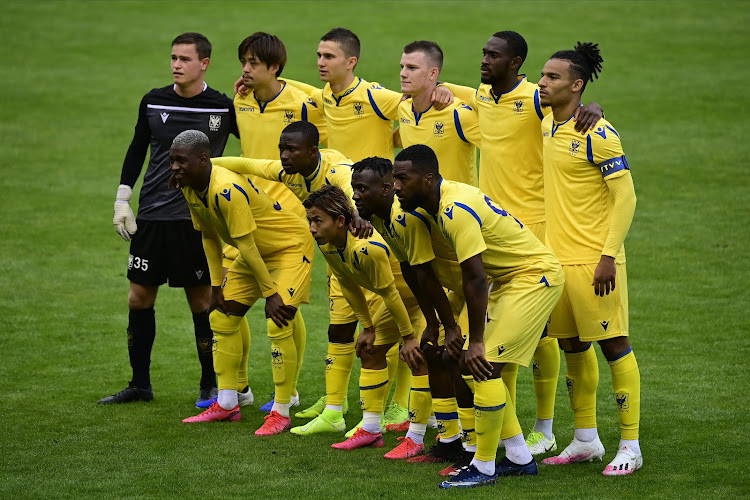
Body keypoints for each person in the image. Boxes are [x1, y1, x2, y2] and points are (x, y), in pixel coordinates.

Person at [444, 31, 603, 455]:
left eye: (492, 55)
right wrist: (444, 90)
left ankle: (545, 428)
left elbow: (575, 108)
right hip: (492, 230)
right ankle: (502, 431)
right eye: (483, 52)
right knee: (497, 334)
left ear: (515, 63)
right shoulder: (482, 92)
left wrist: (594, 107)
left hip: (534, 230)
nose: (483, 59)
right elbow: (473, 93)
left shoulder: (536, 97)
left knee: (544, 336)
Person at [392, 144, 564, 489]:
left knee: (481, 364)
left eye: (403, 178)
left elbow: (473, 277)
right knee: (472, 366)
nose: (396, 186)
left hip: (533, 277)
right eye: (394, 178)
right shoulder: (436, 204)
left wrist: (477, 340)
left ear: (428, 179)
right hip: (509, 280)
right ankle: (518, 458)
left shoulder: (454, 209)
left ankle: (483, 467)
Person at [100, 32, 237, 406]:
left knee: (201, 301)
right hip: (153, 217)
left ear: (204, 63)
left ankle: (210, 384)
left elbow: (255, 142)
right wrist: (122, 198)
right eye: (173, 58)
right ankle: (140, 384)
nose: (176, 65)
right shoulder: (154, 100)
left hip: (197, 221)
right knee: (138, 297)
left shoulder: (224, 107)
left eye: (184, 59)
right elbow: (136, 148)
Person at [537, 42, 641, 476]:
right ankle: (585, 439)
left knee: (614, 346)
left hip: (594, 262)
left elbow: (626, 195)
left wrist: (608, 256)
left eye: (552, 78)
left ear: (577, 86)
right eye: (542, 76)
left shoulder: (599, 132)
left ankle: (631, 447)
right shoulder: (547, 122)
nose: (542, 83)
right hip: (557, 259)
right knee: (571, 344)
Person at [173, 130, 313, 436]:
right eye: (172, 161)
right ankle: (227, 403)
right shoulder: (190, 186)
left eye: (181, 161)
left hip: (288, 247)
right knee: (220, 316)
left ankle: (282, 409)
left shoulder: (226, 189)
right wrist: (215, 287)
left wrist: (270, 294)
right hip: (255, 253)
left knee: (278, 320)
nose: (175, 167)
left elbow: (246, 246)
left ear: (202, 160)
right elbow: (208, 235)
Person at [231, 32, 329, 411]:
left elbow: (332, 105)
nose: (246, 69)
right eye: (244, 62)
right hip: (247, 213)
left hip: (291, 218)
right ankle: (235, 389)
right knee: (228, 301)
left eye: (254, 63)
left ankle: (287, 393)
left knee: (285, 309)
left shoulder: (305, 103)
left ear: (274, 68)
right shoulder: (241, 98)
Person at [351, 156, 468, 463]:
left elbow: (426, 273)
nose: (355, 196)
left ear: (387, 189)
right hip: (446, 288)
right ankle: (447, 442)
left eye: (362, 188)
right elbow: (409, 268)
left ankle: (473, 448)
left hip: (468, 288)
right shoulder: (379, 217)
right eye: (353, 188)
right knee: (430, 354)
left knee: (461, 361)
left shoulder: (404, 217)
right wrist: (432, 323)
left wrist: (440, 323)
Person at [303, 185, 427, 451]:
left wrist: (408, 337)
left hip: (428, 294)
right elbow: (347, 284)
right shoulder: (328, 244)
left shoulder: (365, 249)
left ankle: (425, 436)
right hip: (406, 297)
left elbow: (390, 294)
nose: (312, 228)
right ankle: (371, 430)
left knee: (427, 359)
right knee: (370, 349)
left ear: (339, 221)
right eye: (310, 221)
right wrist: (368, 327)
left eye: (318, 221)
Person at [394, 40, 480, 186]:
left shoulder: (458, 115)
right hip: (417, 206)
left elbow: (499, 146)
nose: (403, 74)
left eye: (412, 68)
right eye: (402, 67)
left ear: (433, 73)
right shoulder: (404, 109)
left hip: (456, 206)